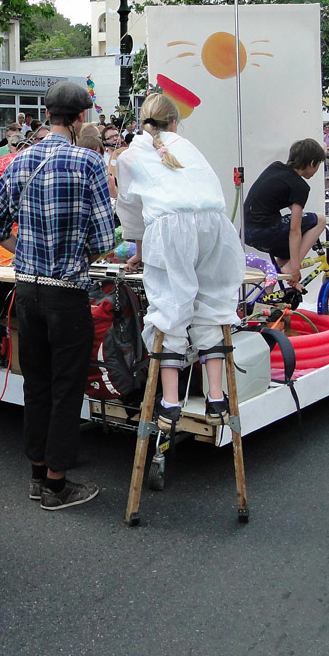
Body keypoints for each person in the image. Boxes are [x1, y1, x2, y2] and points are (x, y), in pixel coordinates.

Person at [0, 81, 115, 510]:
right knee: (66, 387)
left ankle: (39, 475)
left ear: (48, 113)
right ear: (80, 119)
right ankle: (56, 485)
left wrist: (28, 256)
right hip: (66, 291)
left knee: (35, 383)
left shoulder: (17, 161)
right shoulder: (88, 162)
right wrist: (72, 253)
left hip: (28, 290)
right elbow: (105, 238)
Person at [117, 93, 246, 431]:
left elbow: (131, 213)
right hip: (214, 225)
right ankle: (216, 396)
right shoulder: (189, 148)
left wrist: (141, 253)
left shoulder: (130, 156)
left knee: (170, 306)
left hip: (171, 228)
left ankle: (170, 401)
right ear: (174, 122)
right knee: (213, 302)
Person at [243, 139, 327, 290]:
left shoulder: (275, 168)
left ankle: (266, 296)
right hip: (265, 232)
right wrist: (295, 268)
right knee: (320, 220)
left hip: (247, 232)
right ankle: (289, 269)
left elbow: (274, 197)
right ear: (312, 162)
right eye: (318, 165)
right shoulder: (300, 186)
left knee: (288, 254)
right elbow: (294, 230)